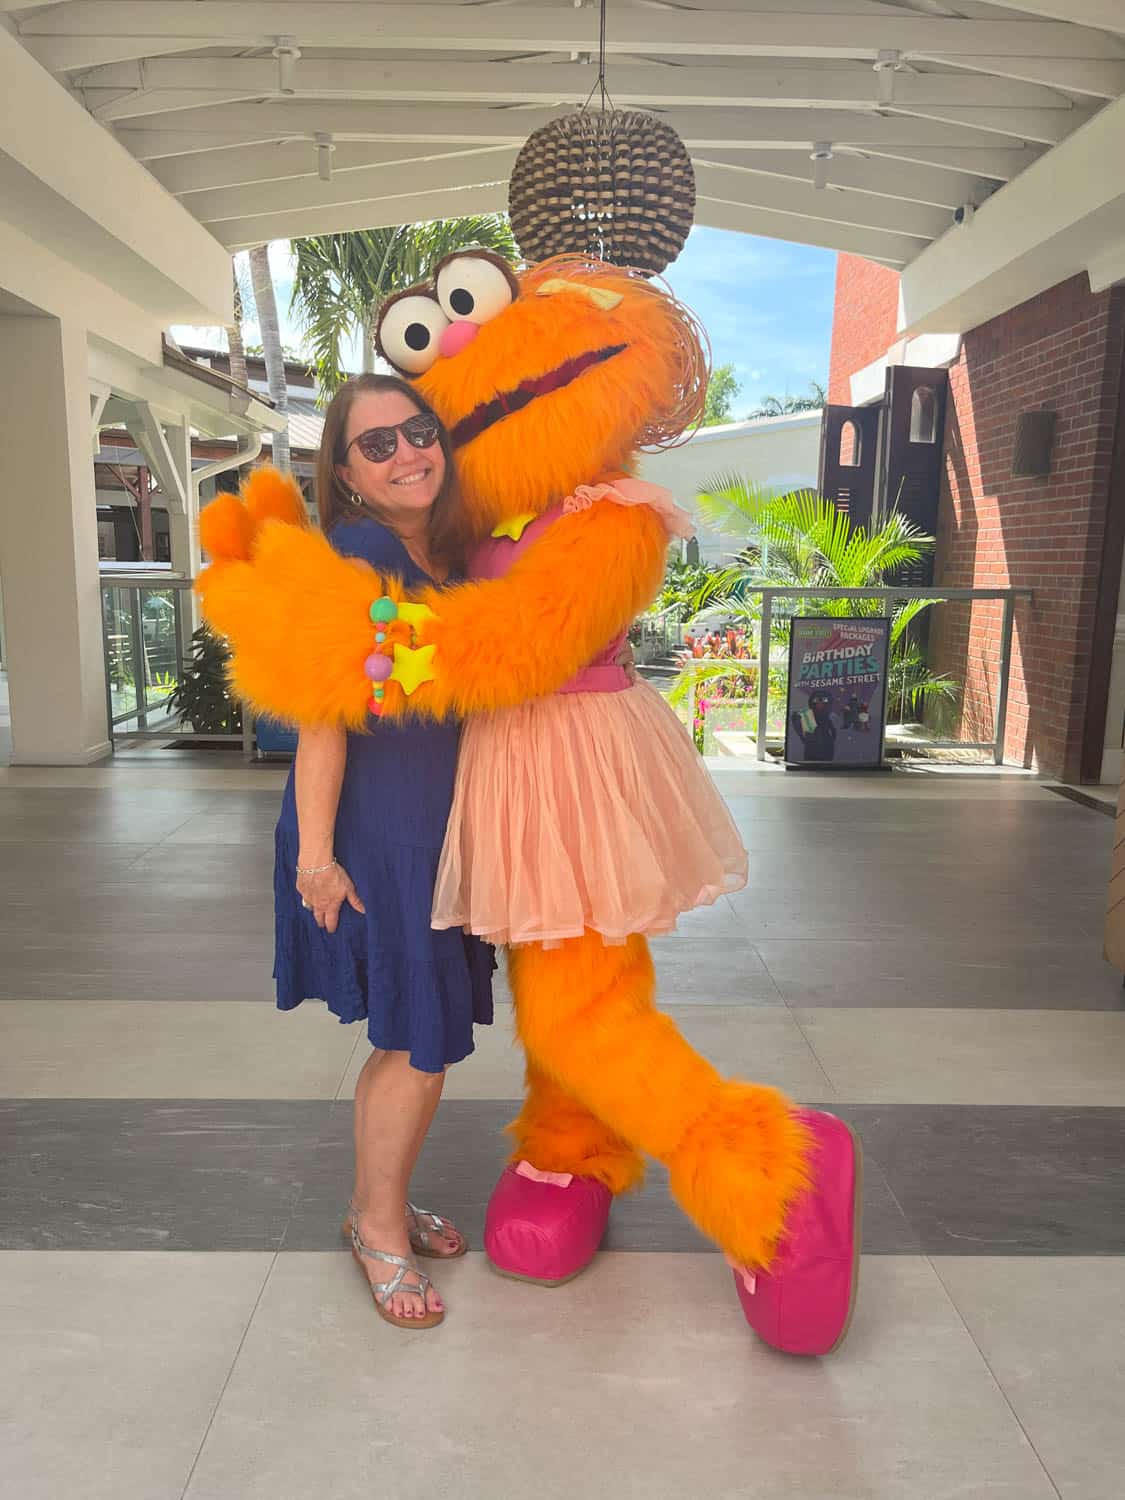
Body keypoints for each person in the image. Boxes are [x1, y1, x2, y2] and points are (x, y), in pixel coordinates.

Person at [261, 375, 493, 1330]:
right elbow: (322, 715)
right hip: (377, 832)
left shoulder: (444, 552)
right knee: (415, 1038)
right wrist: (316, 859)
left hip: (429, 826)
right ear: (346, 474)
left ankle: (375, 1203)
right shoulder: (358, 554)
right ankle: (379, 1229)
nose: (407, 453)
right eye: (376, 445)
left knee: (413, 1035)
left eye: (417, 431)